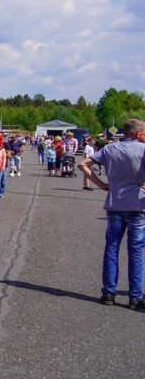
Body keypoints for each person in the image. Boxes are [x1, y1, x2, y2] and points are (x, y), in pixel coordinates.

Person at [79, 119, 145, 309]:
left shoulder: (110, 149)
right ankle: (135, 297)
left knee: (111, 248)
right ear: (138, 132)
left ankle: (108, 293)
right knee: (136, 251)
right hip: (138, 205)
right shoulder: (142, 149)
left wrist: (103, 185)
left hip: (114, 203)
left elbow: (83, 164)